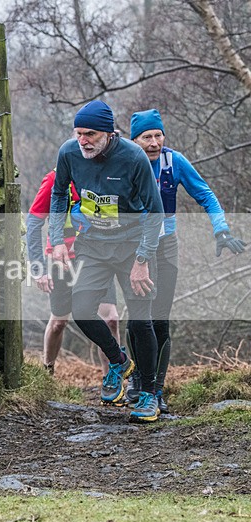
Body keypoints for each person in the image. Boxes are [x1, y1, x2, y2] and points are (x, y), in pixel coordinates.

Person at [48, 100, 164, 422]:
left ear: (109, 133)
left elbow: (155, 213)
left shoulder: (133, 157)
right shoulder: (69, 152)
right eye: (79, 133)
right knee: (82, 310)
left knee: (141, 322)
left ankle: (150, 394)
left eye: (90, 134)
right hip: (93, 246)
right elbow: (59, 195)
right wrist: (57, 240)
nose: (83, 140)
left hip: (132, 246)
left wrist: (142, 259)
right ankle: (118, 361)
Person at [126, 109, 246, 413]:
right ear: (134, 139)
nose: (154, 142)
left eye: (158, 135)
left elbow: (205, 194)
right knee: (138, 316)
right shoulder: (126, 161)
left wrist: (221, 229)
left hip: (166, 245)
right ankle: (137, 378)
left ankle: (157, 389)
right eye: (146, 137)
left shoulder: (173, 161)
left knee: (160, 318)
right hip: (133, 247)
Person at [26, 169, 119, 376]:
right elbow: (33, 222)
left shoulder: (104, 176)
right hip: (61, 259)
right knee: (59, 321)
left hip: (97, 258)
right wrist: (37, 268)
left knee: (110, 319)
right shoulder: (54, 179)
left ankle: (111, 378)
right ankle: (47, 373)